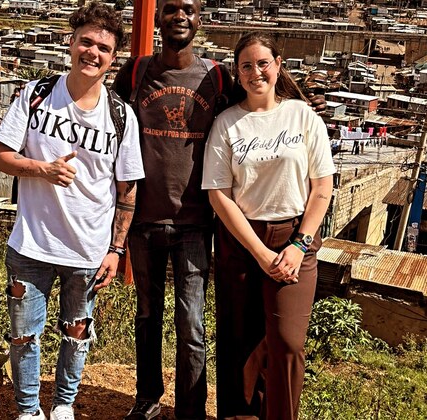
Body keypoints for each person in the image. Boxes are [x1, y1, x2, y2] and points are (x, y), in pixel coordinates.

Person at [0, 3, 144, 420]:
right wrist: (43, 169)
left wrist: (116, 249)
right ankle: (28, 410)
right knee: (23, 336)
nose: (93, 53)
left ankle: (63, 405)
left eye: (103, 48)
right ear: (71, 43)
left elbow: (127, 190)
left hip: (88, 250)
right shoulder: (36, 95)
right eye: (86, 42)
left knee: (77, 334)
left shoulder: (120, 116)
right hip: (31, 244)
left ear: (113, 58)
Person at [202, 32, 335, 420]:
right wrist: (259, 253)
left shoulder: (302, 116)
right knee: (238, 339)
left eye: (263, 63)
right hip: (241, 241)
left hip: (294, 238)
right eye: (246, 66)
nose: (255, 72)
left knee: (288, 343)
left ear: (278, 65)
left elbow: (322, 187)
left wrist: (299, 244)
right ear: (237, 72)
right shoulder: (227, 123)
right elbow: (219, 194)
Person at [112, 0, 232, 418]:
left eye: (189, 9)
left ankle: (191, 410)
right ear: (159, 18)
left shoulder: (217, 77)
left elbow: (252, 114)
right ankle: (147, 398)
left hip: (195, 223)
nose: (180, 16)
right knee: (147, 315)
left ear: (200, 19)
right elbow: (107, 123)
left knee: (192, 325)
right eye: (171, 9)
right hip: (144, 219)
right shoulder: (136, 71)